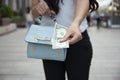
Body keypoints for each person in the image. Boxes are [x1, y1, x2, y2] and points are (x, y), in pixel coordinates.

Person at [31, 0, 99, 80]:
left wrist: (76, 24)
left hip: (76, 38)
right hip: (51, 42)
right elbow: (33, 12)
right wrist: (38, 8)